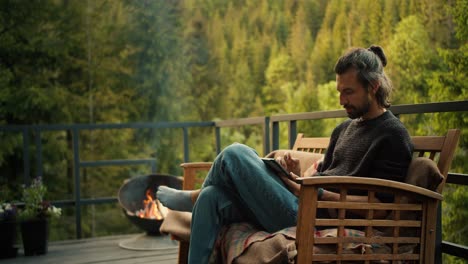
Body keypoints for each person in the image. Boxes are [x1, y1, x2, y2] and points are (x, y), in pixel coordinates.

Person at [157, 45, 413, 263]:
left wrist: (316, 193)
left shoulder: (392, 135)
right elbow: (325, 174)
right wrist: (296, 175)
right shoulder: (344, 128)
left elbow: (380, 208)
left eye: (348, 92)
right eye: (339, 92)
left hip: (314, 216)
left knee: (235, 153)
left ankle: (191, 197)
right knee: (212, 198)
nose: (341, 101)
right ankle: (200, 197)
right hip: (305, 202)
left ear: (374, 86)